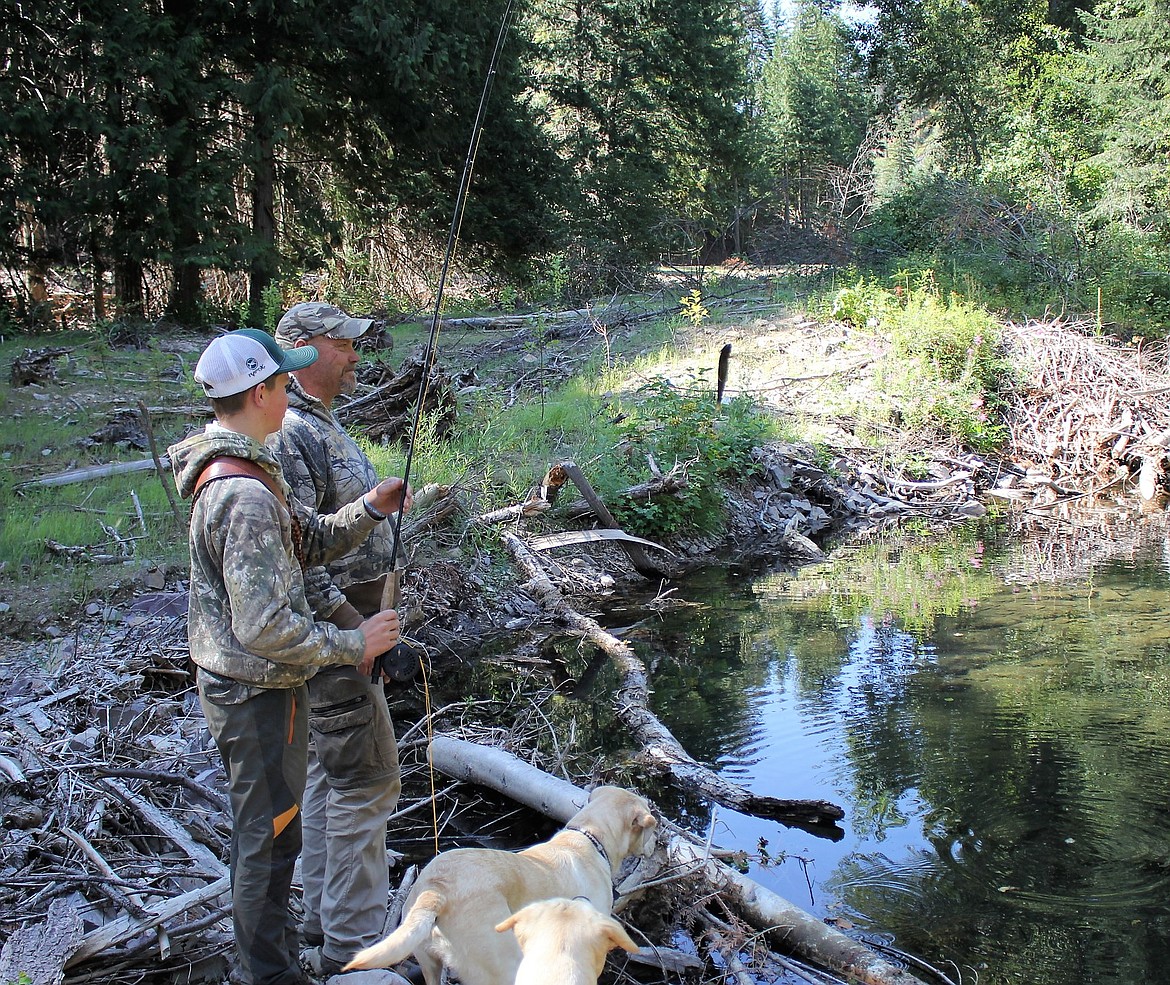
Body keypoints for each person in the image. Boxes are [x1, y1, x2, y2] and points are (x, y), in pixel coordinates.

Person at [168, 328, 411, 985]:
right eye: (282, 382)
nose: (291, 391)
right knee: (267, 847)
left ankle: (278, 958)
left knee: (277, 838)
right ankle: (269, 975)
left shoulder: (252, 470)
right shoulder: (243, 495)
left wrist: (368, 507)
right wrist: (354, 642)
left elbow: (305, 537)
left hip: (267, 689)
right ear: (259, 392)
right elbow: (267, 628)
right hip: (253, 695)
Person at [272, 302, 408, 977]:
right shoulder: (291, 433)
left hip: (355, 622)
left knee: (332, 774)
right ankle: (358, 951)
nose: (355, 354)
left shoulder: (320, 420)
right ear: (301, 349)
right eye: (343, 344)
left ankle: (326, 928)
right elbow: (300, 555)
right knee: (370, 780)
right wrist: (359, 631)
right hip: (337, 632)